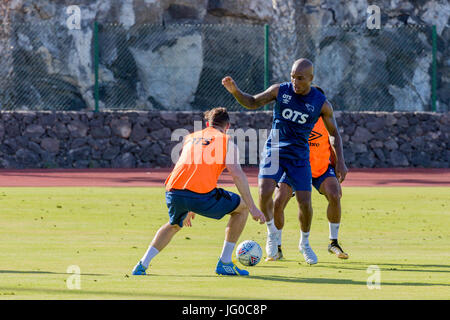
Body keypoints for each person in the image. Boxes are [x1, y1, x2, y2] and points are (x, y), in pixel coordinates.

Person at [222, 58, 347, 265]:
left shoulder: (322, 103)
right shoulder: (280, 91)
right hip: (275, 149)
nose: (295, 82)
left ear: (311, 79)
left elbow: (334, 134)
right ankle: (273, 234)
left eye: (300, 78)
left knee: (305, 203)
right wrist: (235, 91)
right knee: (264, 191)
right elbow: (252, 102)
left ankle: (304, 244)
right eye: (292, 77)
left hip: (299, 156)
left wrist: (340, 161)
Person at [132, 107, 265, 276]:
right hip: (199, 195)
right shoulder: (226, 141)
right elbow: (237, 174)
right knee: (242, 208)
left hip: (174, 191)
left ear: (208, 124)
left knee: (173, 225)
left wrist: (188, 206)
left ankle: (142, 264)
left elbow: (189, 167)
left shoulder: (190, 138)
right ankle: (225, 262)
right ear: (228, 126)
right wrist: (253, 207)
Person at [271, 87, 349, 261]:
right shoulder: (294, 117)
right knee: (278, 201)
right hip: (295, 166)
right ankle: (276, 247)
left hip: (320, 169)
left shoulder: (326, 119)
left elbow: (333, 141)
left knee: (334, 195)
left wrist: (339, 165)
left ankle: (333, 242)